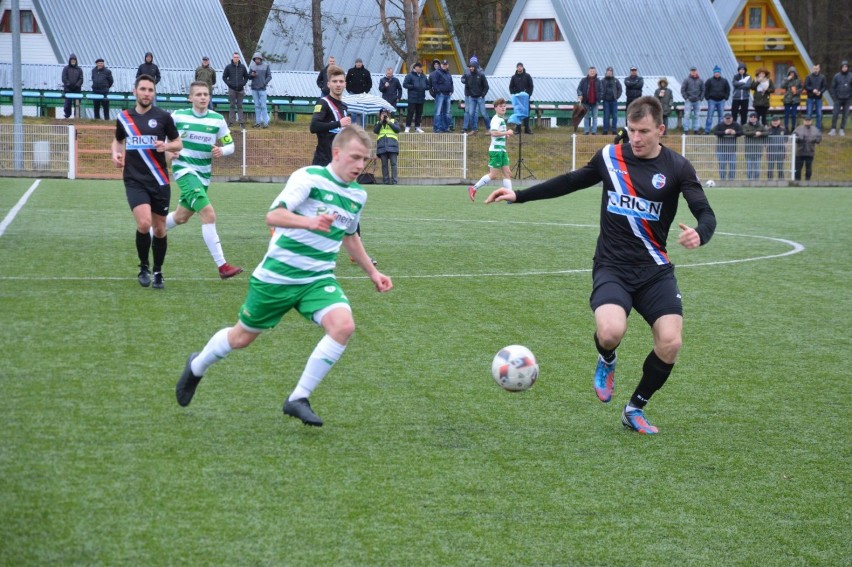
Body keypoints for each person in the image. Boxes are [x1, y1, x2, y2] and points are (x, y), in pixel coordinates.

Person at [484, 96, 716, 435]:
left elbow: (705, 213)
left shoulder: (677, 168)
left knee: (671, 342)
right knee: (610, 333)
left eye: (644, 132)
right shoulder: (611, 156)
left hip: (654, 270)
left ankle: (634, 408)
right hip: (612, 267)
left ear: (661, 130)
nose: (636, 138)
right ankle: (607, 359)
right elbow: (571, 180)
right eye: (632, 130)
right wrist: (521, 195)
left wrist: (700, 233)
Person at [176, 125, 393, 427]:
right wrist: (310, 222)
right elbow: (273, 216)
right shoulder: (308, 178)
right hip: (277, 276)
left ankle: (298, 397)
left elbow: (350, 235)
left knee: (343, 326)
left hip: (317, 278)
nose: (360, 166)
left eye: (365, 160)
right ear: (337, 153)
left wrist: (373, 271)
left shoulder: (358, 194)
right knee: (240, 339)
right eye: (355, 157)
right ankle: (197, 365)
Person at [162, 81, 242, 279]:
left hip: (204, 174)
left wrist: (221, 150)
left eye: (206, 94)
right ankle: (222, 266)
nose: (203, 97)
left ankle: (151, 231)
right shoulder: (178, 116)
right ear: (190, 98)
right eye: (198, 94)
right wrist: (168, 153)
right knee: (208, 214)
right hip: (184, 170)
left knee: (181, 217)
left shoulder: (217, 120)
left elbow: (230, 145)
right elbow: (165, 139)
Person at [111, 75, 182, 289]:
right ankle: (144, 267)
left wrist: (166, 147)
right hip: (134, 180)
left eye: (150, 90)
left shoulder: (163, 117)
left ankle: (158, 271)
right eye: (143, 89)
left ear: (154, 93)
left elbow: (177, 143)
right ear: (135, 91)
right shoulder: (124, 117)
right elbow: (118, 140)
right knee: (144, 223)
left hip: (159, 180)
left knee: (160, 229)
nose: (146, 93)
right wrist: (115, 153)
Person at [467, 98, 513, 202]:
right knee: (493, 175)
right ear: (495, 108)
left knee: (507, 173)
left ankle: (510, 197)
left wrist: (505, 136)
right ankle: (473, 188)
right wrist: (506, 133)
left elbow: (498, 134)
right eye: (500, 106)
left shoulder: (501, 119)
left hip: (502, 150)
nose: (503, 108)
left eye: (504, 106)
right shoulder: (496, 119)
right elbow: (493, 133)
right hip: (496, 150)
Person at [310, 65, 351, 166]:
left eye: (341, 81)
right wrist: (338, 123)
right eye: (334, 81)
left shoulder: (344, 107)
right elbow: (313, 126)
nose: (338, 84)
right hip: (323, 162)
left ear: (345, 84)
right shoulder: (323, 103)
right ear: (328, 84)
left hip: (338, 163)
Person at [461, 56, 489, 135]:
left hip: (480, 97)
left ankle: (489, 129)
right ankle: (474, 129)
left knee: (483, 113)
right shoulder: (468, 75)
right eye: (470, 67)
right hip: (471, 98)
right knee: (471, 113)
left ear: (476, 67)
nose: (471, 68)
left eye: (473, 67)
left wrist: (482, 95)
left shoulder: (481, 75)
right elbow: (467, 86)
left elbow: (486, 86)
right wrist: (469, 95)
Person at [713, 112, 743, 180]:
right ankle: (722, 180)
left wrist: (735, 133)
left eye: (729, 118)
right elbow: (715, 132)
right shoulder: (720, 125)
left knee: (732, 166)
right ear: (724, 119)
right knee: (722, 166)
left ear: (732, 118)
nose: (728, 120)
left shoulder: (736, 125)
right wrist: (724, 132)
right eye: (726, 118)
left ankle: (731, 180)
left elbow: (741, 132)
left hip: (732, 150)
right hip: (721, 150)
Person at [373, 109, 400, 184]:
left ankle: (394, 181)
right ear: (380, 114)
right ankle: (386, 181)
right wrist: (381, 121)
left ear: (388, 114)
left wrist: (389, 122)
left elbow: (397, 130)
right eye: (382, 113)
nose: (384, 114)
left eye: (385, 113)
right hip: (382, 147)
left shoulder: (394, 121)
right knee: (384, 165)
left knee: (393, 164)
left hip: (393, 146)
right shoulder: (378, 123)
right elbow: (375, 131)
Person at [222, 52, 249, 128]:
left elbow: (246, 77)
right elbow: (224, 77)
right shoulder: (228, 67)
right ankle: (231, 122)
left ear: (239, 58)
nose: (236, 58)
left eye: (237, 57)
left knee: (240, 106)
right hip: (232, 90)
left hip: (240, 90)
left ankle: (241, 122)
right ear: (232, 58)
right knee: (232, 106)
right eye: (234, 57)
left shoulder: (243, 67)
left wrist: (243, 83)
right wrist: (229, 84)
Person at [793, 115, 821, 181]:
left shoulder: (815, 129)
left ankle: (808, 180)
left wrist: (817, 139)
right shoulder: (798, 128)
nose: (807, 122)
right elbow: (793, 136)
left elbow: (819, 137)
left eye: (809, 120)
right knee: (797, 168)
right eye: (806, 120)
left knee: (808, 168)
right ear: (804, 121)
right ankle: (797, 181)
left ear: (811, 121)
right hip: (799, 152)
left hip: (810, 152)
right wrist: (797, 139)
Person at [508, 62, 534, 134]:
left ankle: (527, 129)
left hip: (525, 99)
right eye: (518, 67)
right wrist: (514, 94)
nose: (519, 68)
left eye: (520, 67)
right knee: (517, 113)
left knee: (526, 113)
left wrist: (528, 94)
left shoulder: (527, 76)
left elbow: (531, 86)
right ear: (516, 68)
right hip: (517, 99)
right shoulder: (514, 77)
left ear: (523, 67)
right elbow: (511, 87)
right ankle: (518, 129)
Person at [345, 58, 373, 126]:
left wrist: (366, 92)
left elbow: (369, 83)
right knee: (353, 112)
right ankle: (353, 128)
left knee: (363, 112)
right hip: (353, 94)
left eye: (360, 62)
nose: (358, 63)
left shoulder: (366, 72)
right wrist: (349, 90)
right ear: (355, 63)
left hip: (363, 94)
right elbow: (346, 81)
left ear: (362, 63)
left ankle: (362, 128)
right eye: (357, 62)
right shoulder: (350, 71)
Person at [402, 62, 428, 133]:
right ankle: (407, 127)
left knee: (419, 113)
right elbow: (404, 84)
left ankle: (417, 127)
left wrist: (424, 87)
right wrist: (413, 86)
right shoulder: (409, 76)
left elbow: (428, 85)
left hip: (421, 97)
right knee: (410, 112)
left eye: (421, 67)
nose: (420, 69)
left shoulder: (423, 76)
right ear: (415, 68)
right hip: (412, 98)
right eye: (419, 67)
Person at [249, 52, 272, 128]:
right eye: (256, 59)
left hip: (262, 89)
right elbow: (249, 76)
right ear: (254, 59)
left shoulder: (266, 66)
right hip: (254, 89)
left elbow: (269, 76)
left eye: (258, 58)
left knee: (263, 106)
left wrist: (264, 82)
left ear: (261, 59)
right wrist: (252, 75)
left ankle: (266, 123)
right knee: (256, 106)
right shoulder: (252, 66)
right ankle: (258, 122)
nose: (257, 60)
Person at [742, 111, 768, 180]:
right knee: (749, 168)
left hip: (758, 150)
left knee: (757, 169)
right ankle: (749, 181)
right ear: (749, 118)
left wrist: (761, 134)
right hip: (748, 150)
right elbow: (745, 132)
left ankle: (756, 181)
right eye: (751, 117)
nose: (753, 118)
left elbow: (767, 132)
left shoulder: (761, 126)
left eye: (754, 117)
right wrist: (755, 133)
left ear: (757, 118)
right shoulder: (745, 125)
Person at [704, 65, 730, 133]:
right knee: (709, 116)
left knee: (721, 117)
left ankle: (720, 130)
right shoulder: (709, 80)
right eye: (715, 72)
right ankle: (707, 130)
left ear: (720, 73)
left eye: (718, 72)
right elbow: (705, 89)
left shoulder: (724, 81)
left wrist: (726, 98)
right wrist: (707, 98)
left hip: (721, 101)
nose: (717, 73)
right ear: (713, 73)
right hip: (712, 100)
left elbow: (728, 89)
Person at [431, 60, 454, 133]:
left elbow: (451, 83)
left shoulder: (449, 74)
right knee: (437, 112)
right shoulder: (437, 72)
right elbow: (434, 83)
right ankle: (437, 128)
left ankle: (445, 128)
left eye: (446, 64)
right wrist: (438, 91)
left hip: (448, 95)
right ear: (441, 65)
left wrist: (451, 91)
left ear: (448, 65)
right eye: (443, 64)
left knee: (446, 113)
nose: (444, 66)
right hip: (440, 95)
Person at [577, 66, 602, 134]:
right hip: (586, 101)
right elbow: (579, 89)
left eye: (593, 71)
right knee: (586, 117)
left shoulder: (599, 81)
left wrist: (599, 98)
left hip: (595, 102)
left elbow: (601, 91)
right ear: (588, 72)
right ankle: (586, 131)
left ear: (595, 72)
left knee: (595, 117)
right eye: (591, 71)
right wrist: (580, 95)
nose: (592, 72)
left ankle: (594, 131)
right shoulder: (583, 80)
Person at [829, 61, 850, 136]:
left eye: (846, 67)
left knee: (845, 115)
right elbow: (833, 87)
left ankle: (842, 129)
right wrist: (834, 97)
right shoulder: (836, 76)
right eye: (843, 67)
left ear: (847, 67)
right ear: (841, 68)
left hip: (847, 99)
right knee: (835, 114)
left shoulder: (851, 76)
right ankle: (833, 129)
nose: (844, 68)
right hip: (838, 99)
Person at [681, 66, 704, 134]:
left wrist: (701, 98)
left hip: (697, 101)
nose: (693, 72)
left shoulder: (700, 80)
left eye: (694, 71)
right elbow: (683, 89)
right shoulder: (686, 80)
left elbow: (703, 90)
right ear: (690, 72)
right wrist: (686, 98)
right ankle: (686, 130)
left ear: (696, 71)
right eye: (692, 71)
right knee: (687, 115)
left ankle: (696, 130)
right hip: (689, 100)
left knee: (697, 115)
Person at [804, 63, 827, 131]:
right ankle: (808, 129)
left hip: (818, 98)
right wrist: (812, 90)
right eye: (814, 68)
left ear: (819, 69)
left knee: (819, 114)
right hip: (810, 98)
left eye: (817, 68)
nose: (815, 70)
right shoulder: (808, 77)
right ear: (812, 69)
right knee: (809, 114)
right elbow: (806, 86)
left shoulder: (822, 77)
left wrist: (820, 92)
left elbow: (825, 87)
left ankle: (818, 129)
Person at [600, 66, 622, 136]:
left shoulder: (616, 80)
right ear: (606, 72)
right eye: (608, 72)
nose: (609, 73)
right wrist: (602, 97)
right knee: (606, 115)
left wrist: (617, 96)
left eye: (610, 72)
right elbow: (600, 89)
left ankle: (614, 130)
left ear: (612, 73)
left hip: (614, 101)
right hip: (606, 101)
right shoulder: (603, 81)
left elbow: (620, 89)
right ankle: (605, 130)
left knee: (615, 116)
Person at [781, 66, 802, 134]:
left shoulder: (798, 80)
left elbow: (801, 89)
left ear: (795, 73)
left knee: (793, 114)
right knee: (786, 114)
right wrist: (787, 79)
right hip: (787, 99)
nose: (792, 74)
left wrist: (797, 92)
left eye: (793, 73)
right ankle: (786, 128)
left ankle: (793, 127)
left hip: (795, 99)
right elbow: (782, 86)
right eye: (791, 73)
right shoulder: (786, 79)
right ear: (789, 73)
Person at [60, 53, 83, 119]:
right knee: (67, 104)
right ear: (70, 60)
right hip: (68, 90)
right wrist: (68, 84)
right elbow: (64, 78)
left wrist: (77, 85)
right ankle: (67, 115)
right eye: (72, 60)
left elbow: (81, 79)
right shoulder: (66, 68)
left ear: (76, 61)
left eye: (74, 60)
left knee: (77, 104)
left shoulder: (79, 69)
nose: (73, 61)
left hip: (77, 90)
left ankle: (77, 116)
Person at [766, 115, 787, 180]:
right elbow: (765, 142)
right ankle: (769, 181)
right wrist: (766, 152)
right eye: (774, 121)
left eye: (776, 121)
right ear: (771, 122)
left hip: (780, 151)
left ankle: (781, 181)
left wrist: (785, 152)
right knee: (770, 168)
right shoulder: (768, 129)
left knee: (780, 167)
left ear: (779, 121)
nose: (775, 122)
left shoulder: (783, 129)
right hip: (770, 151)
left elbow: (785, 142)